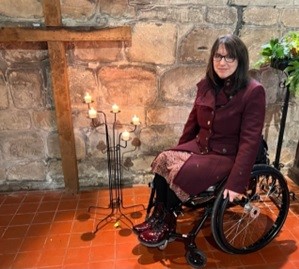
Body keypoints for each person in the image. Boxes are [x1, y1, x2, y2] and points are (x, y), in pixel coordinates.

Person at [133, 34, 266, 248]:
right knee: (164, 160)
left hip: (227, 155)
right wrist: (179, 149)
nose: (222, 62)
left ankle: (167, 224)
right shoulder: (207, 84)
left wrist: (237, 182)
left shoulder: (253, 91)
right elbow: (192, 121)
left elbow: (250, 141)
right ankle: (159, 217)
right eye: (218, 56)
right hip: (202, 145)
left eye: (230, 57)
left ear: (240, 61)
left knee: (180, 172)